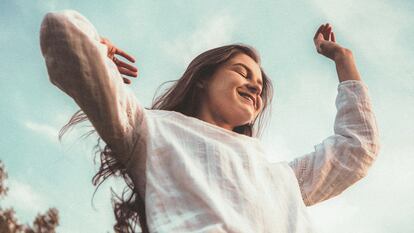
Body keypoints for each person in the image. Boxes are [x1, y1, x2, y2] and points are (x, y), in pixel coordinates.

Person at [40, 10, 380, 233]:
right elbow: (61, 33)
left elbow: (357, 149)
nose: (253, 87)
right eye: (241, 72)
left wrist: (343, 59)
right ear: (203, 78)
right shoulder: (150, 131)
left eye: (259, 87)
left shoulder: (281, 178)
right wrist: (98, 51)